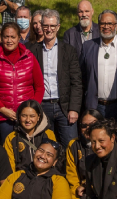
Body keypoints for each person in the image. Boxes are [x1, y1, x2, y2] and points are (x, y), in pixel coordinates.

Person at [79, 10, 117, 131]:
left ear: (116, 25)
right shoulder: (88, 46)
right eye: (102, 23)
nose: (106, 27)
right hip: (96, 106)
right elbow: (82, 76)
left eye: (110, 23)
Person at [29, 9, 83, 146]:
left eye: (52, 26)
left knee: (71, 147)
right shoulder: (33, 51)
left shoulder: (69, 51)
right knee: (45, 146)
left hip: (64, 107)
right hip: (42, 106)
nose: (49, 29)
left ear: (58, 27)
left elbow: (76, 82)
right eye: (46, 25)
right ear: (41, 26)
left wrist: (74, 109)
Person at [0, 22, 44, 139]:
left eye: (13, 37)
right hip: (4, 117)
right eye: (6, 37)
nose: (9, 40)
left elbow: (40, 86)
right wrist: (2, 109)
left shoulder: (30, 57)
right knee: (7, 151)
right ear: (1, 38)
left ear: (19, 38)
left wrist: (32, 110)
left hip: (27, 117)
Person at [3, 99, 58, 173]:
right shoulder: (12, 137)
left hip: (44, 178)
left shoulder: (48, 134)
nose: (28, 120)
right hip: (21, 179)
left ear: (38, 117)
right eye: (24, 116)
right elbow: (9, 167)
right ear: (19, 116)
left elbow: (52, 160)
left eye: (32, 116)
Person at [65, 109, 101, 199]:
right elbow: (72, 178)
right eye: (84, 126)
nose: (88, 129)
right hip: (83, 194)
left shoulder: (107, 144)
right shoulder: (73, 145)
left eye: (93, 125)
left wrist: (87, 184)